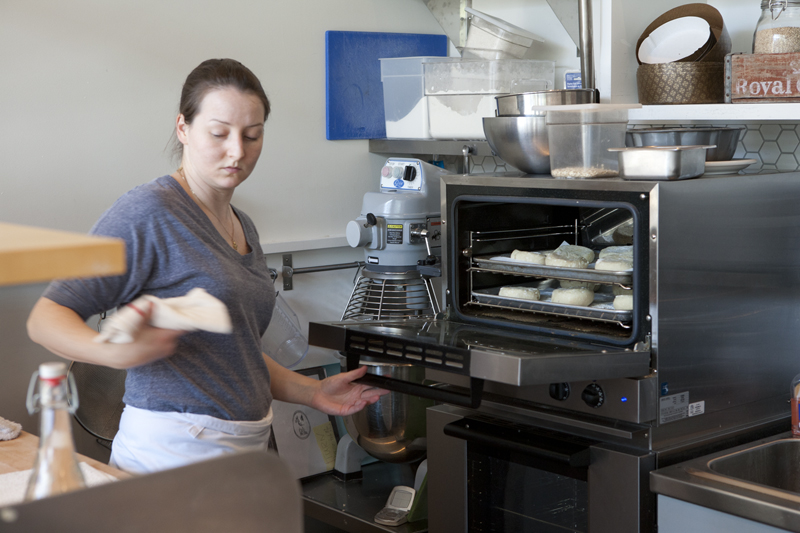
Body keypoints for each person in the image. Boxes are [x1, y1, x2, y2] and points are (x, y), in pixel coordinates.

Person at [26, 58, 386, 475]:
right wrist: (114, 351)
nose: (238, 151)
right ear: (183, 128)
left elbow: (240, 352)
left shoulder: (242, 224)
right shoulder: (148, 212)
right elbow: (46, 318)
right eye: (219, 133)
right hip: (169, 456)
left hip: (246, 451)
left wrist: (313, 391)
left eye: (252, 135)